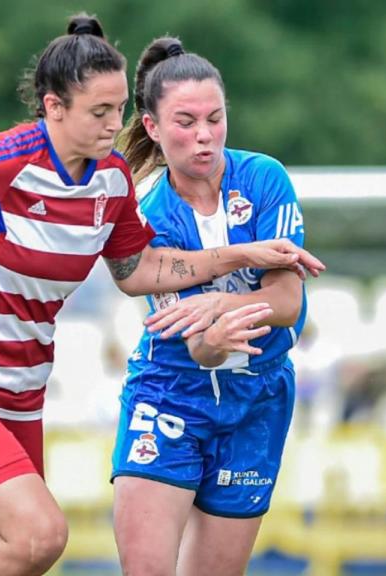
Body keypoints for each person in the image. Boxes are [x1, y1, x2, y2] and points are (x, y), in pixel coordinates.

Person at [0, 15, 325, 576]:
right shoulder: (0, 163)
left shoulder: (113, 181)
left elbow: (141, 270)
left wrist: (243, 254)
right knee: (40, 538)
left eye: (118, 110)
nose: (112, 125)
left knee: (0, 563)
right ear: (53, 108)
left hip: (21, 392)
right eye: (99, 112)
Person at [109, 38, 311, 576]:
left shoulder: (264, 179)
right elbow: (199, 345)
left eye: (215, 119)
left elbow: (288, 302)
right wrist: (218, 330)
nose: (204, 136)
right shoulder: (150, 216)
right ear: (152, 127)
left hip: (260, 397)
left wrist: (222, 303)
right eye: (186, 121)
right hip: (172, 392)